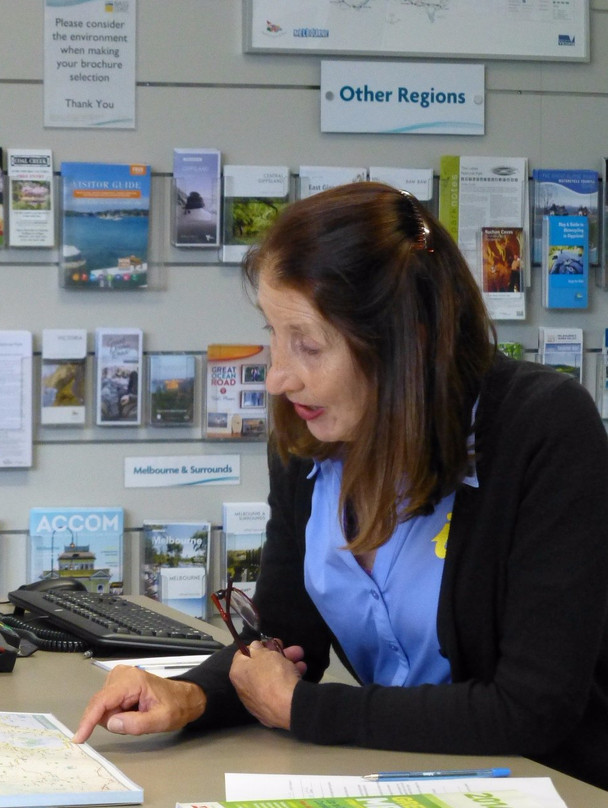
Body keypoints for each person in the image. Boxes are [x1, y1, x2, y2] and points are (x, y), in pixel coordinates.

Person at [74, 181, 608, 791]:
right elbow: (283, 643)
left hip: (558, 787)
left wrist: (307, 710)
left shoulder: (544, 428)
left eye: (307, 345)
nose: (277, 377)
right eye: (274, 334)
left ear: (408, 341)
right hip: (401, 780)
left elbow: (533, 708)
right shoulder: (308, 438)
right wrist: (190, 695)